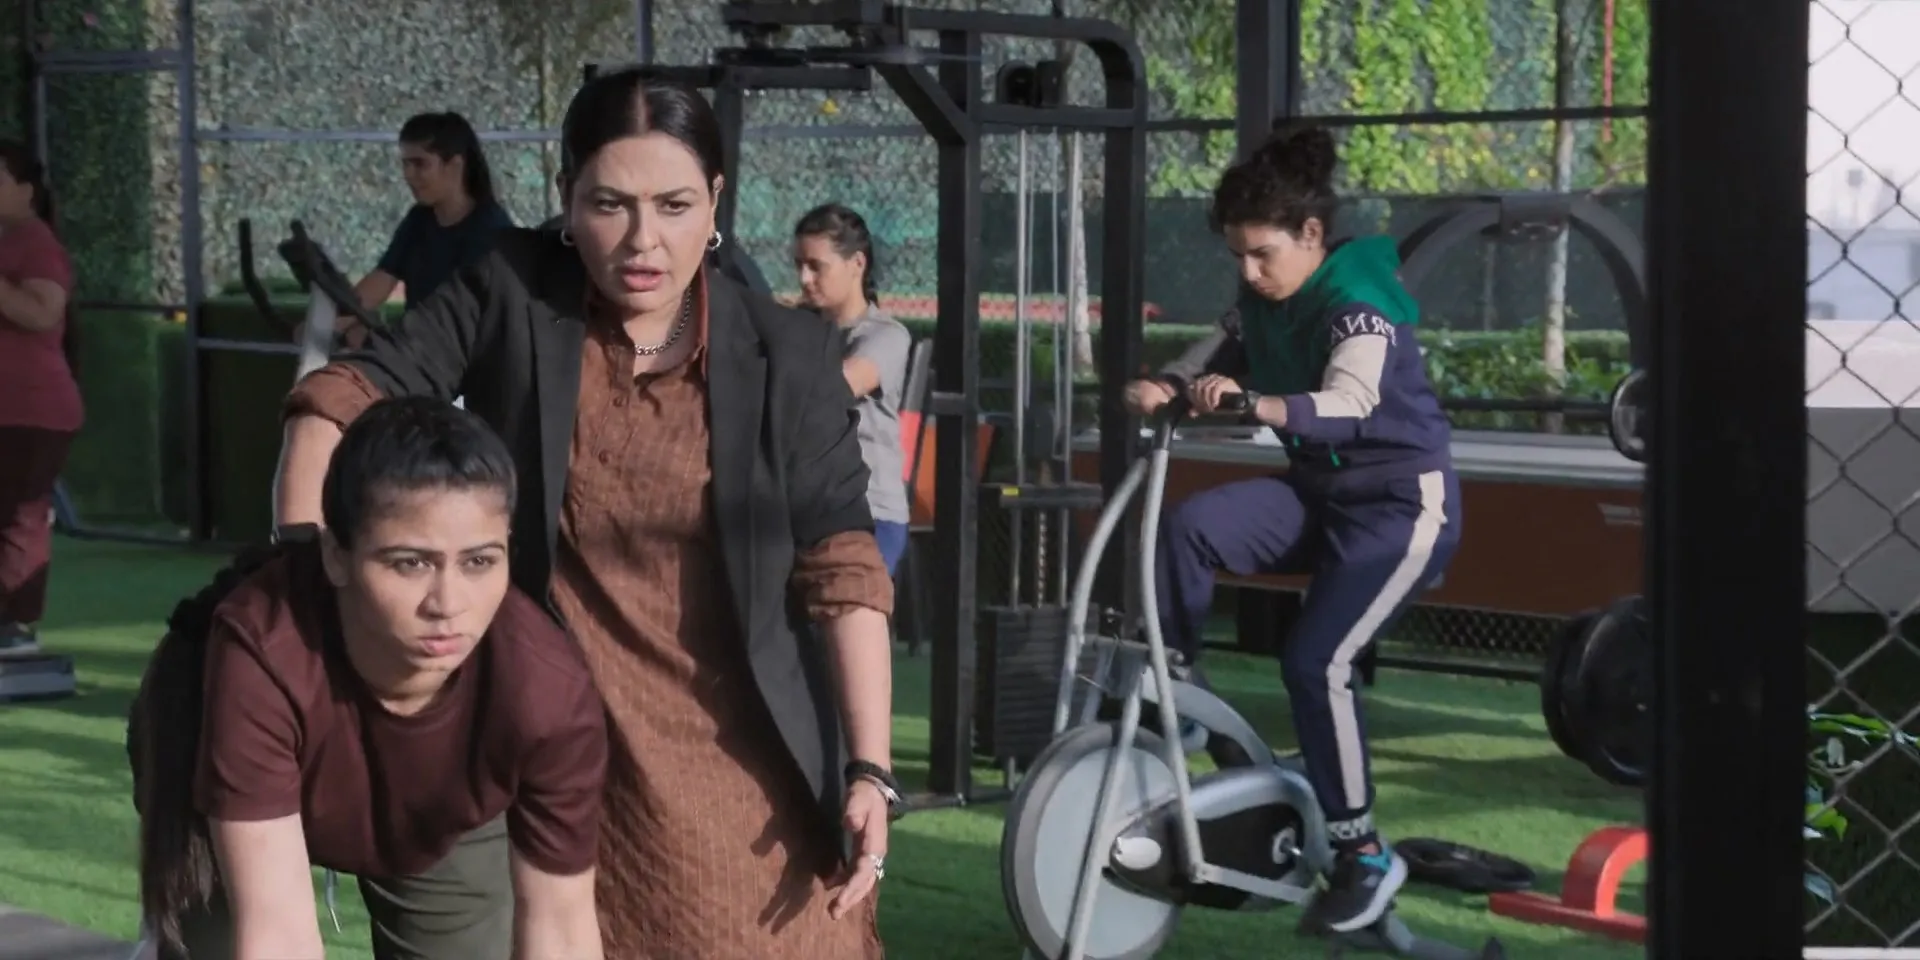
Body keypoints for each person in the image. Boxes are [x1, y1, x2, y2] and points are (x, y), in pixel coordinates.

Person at [273, 69, 897, 958]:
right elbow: (347, 395)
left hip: (742, 767)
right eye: (610, 204)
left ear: (716, 201)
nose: (644, 240)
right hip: (553, 744)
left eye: (675, 205)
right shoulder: (512, 290)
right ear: (567, 197)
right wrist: (297, 586)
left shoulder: (787, 352)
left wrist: (871, 765)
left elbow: (845, 566)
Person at [1127, 124, 1461, 934]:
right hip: (1320, 494)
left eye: (1261, 254)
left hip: (1401, 507)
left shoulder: (1358, 304)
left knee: (1317, 660)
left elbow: (1351, 405)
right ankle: (1179, 697)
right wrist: (1169, 384)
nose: (1248, 272)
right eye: (1236, 255)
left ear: (1311, 234)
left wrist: (1254, 403)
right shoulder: (1262, 301)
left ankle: (1363, 855)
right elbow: (1210, 356)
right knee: (1192, 526)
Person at [127, 396, 608, 960]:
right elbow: (278, 935)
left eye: (479, 561)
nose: (448, 603)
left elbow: (562, 928)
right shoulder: (261, 650)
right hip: (218, 746)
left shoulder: (546, 692)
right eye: (410, 563)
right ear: (336, 555)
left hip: (439, 807)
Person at [793, 203, 914, 575]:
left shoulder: (887, 336)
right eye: (798, 265)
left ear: (857, 263)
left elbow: (837, 388)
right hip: (802, 509)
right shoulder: (797, 328)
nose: (804, 278)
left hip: (871, 513)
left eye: (816, 266)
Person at [334, 112, 514, 344]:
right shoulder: (419, 220)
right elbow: (381, 281)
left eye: (420, 164)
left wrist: (383, 342)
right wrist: (329, 325)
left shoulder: (490, 232)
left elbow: (458, 322)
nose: (408, 175)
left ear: (455, 165)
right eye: (405, 164)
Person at [0, 141, 80, 657]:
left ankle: (14, 626)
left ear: (26, 191)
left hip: (31, 409)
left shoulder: (36, 243)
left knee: (18, 517)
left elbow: (42, 312)